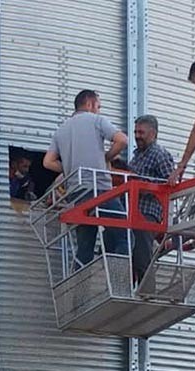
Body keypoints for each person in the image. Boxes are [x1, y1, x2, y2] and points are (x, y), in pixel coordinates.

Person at [43, 89, 130, 269]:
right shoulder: (96, 121)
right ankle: (119, 282)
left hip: (77, 195)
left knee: (84, 249)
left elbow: (48, 162)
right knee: (126, 237)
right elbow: (122, 140)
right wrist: (106, 157)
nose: (99, 110)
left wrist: (69, 168)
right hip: (100, 190)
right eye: (98, 106)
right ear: (89, 104)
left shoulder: (61, 131)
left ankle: (78, 296)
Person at [127, 115, 177, 282]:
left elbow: (170, 185)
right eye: (135, 132)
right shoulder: (137, 157)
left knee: (142, 256)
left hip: (147, 215)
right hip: (131, 213)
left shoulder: (159, 154)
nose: (137, 136)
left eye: (141, 132)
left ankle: (146, 292)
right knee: (125, 251)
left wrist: (141, 185)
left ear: (153, 133)